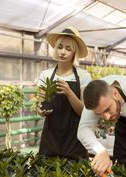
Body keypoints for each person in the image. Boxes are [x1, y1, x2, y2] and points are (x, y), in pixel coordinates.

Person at [36, 26, 91, 160]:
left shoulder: (84, 76)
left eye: (68, 48)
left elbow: (85, 112)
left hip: (75, 140)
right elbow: (40, 104)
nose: (63, 52)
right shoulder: (45, 75)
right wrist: (40, 110)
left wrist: (69, 93)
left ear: (74, 52)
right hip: (50, 139)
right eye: (60, 47)